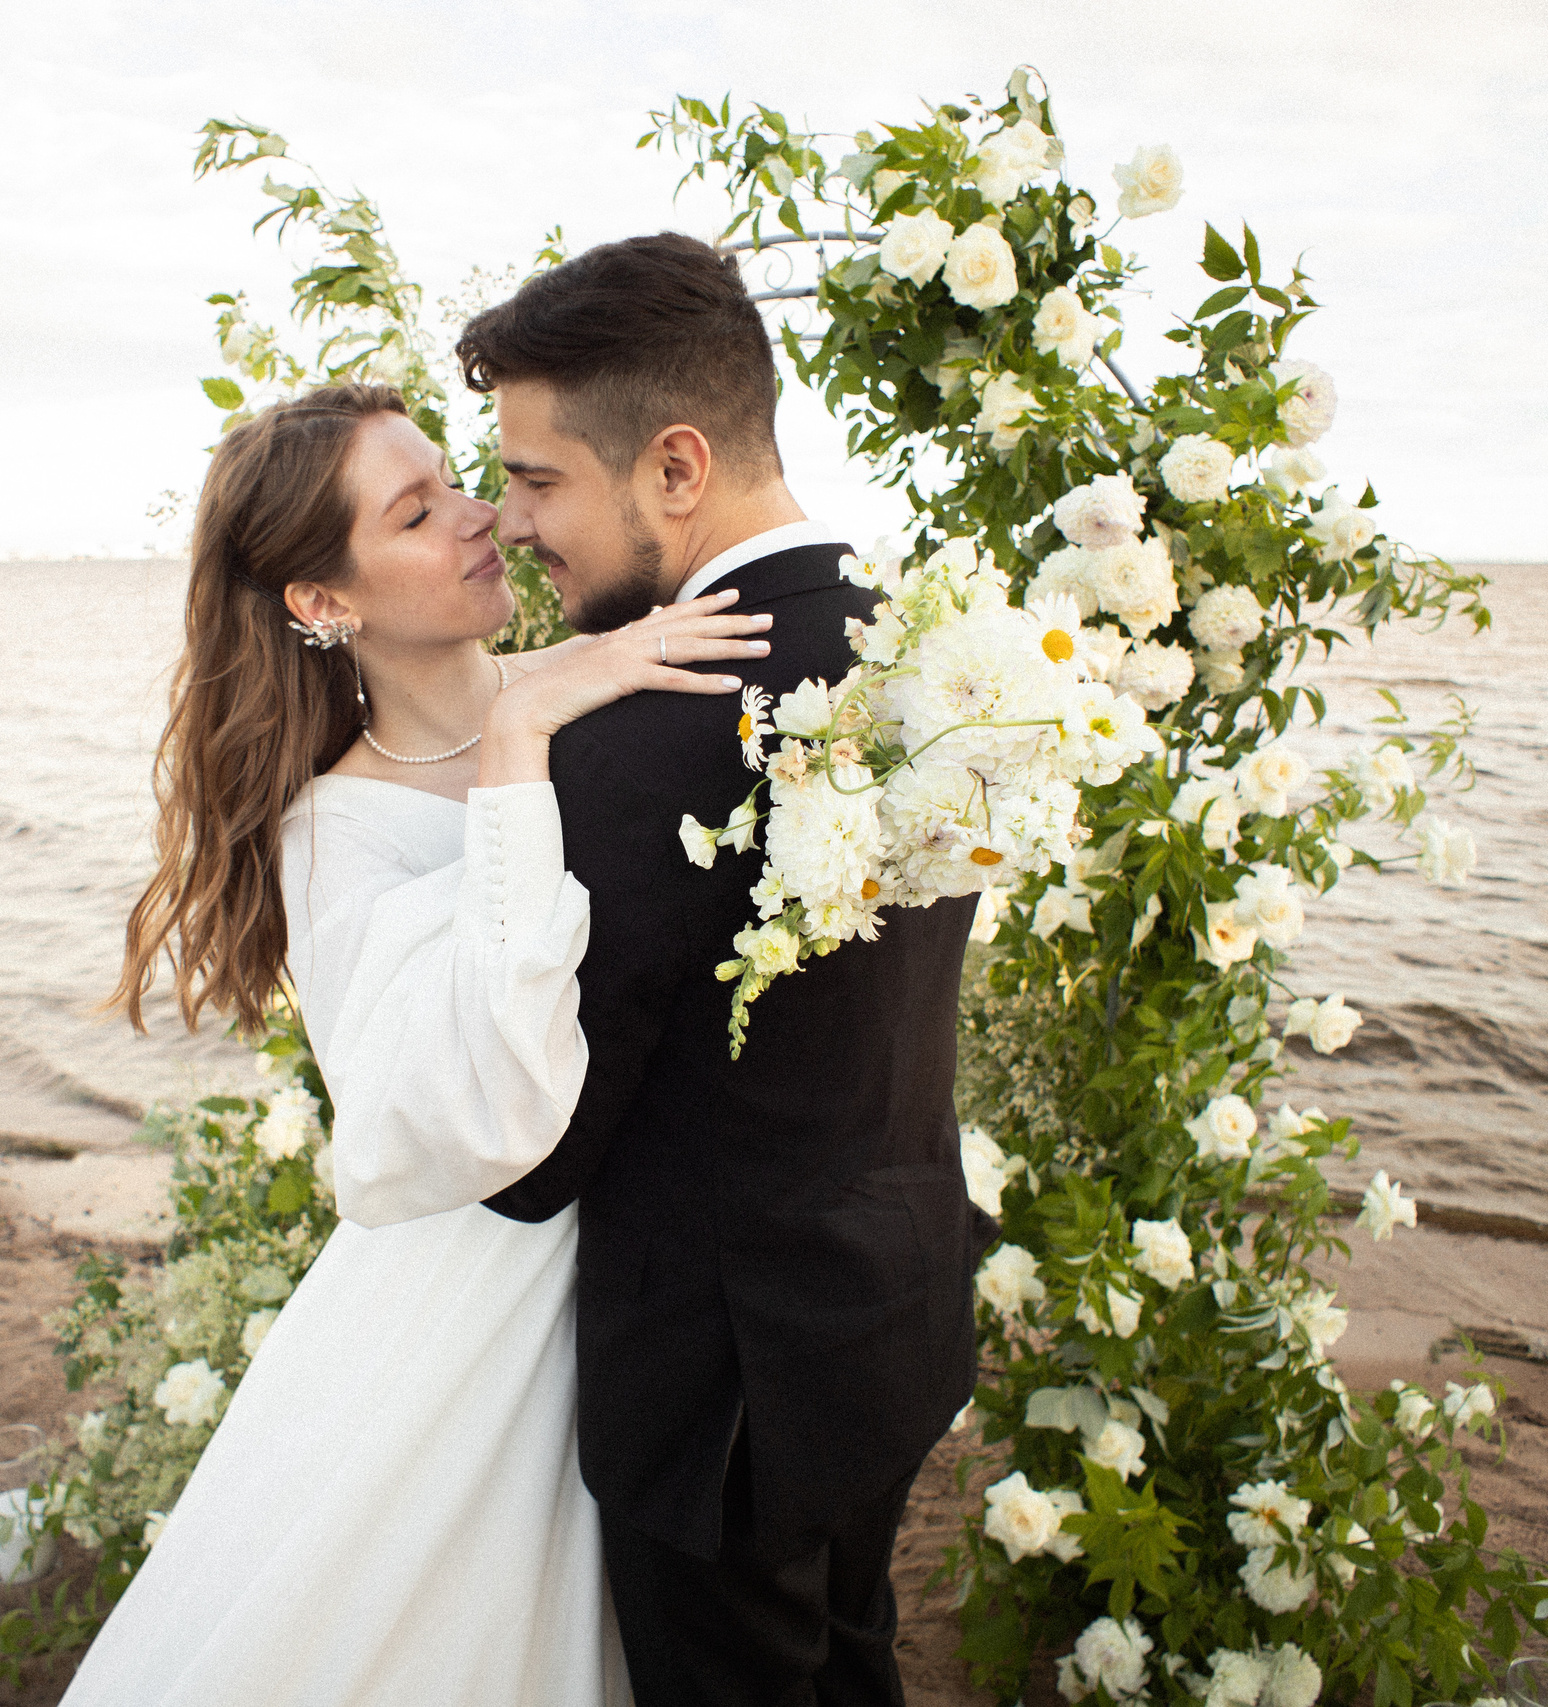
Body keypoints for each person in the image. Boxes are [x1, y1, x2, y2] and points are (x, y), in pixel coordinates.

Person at [61, 382, 770, 1706]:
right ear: (323, 603)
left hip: (665, 1267)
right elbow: (469, 1115)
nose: (480, 517)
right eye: (416, 512)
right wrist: (513, 744)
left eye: (454, 481)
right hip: (485, 1294)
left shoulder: (608, 674)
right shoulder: (340, 834)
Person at [457, 233, 994, 1707]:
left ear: (676, 468)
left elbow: (534, 1156)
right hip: (887, 1316)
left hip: (725, 1394)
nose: (510, 524)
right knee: (852, 1660)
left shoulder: (636, 735)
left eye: (539, 477)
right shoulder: (930, 662)